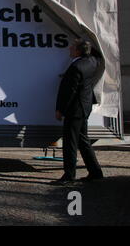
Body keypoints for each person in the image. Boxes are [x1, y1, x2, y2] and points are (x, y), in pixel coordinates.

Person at [55, 38, 103, 184]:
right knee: (83, 141)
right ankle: (95, 172)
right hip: (84, 107)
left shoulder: (77, 67)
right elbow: (96, 53)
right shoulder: (93, 61)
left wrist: (60, 110)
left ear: (78, 51)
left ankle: (69, 176)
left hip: (75, 110)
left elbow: (69, 92)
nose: (69, 48)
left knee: (70, 142)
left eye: (73, 47)